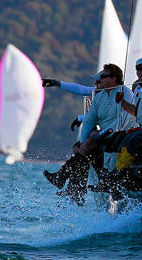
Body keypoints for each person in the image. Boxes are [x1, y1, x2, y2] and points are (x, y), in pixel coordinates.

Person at [42, 63, 133, 202]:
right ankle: (76, 189)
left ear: (114, 78)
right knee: (81, 148)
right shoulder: (100, 95)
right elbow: (89, 120)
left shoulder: (124, 92)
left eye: (102, 77)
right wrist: (83, 143)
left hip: (121, 134)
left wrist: (94, 139)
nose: (97, 82)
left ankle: (70, 184)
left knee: (84, 151)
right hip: (105, 137)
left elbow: (122, 121)